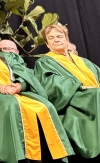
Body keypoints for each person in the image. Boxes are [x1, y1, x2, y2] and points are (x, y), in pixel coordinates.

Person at [0, 25, 73, 163]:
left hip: (17, 93)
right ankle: (19, 158)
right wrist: (0, 87)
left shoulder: (4, 56)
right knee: (10, 105)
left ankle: (54, 156)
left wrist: (19, 85)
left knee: (45, 106)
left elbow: (25, 73)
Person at [35, 24, 100, 160]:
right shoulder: (44, 62)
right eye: (51, 38)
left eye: (59, 36)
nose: (56, 40)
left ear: (66, 39)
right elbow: (49, 84)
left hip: (92, 97)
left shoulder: (84, 61)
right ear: (47, 44)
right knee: (96, 94)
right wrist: (79, 87)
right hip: (71, 103)